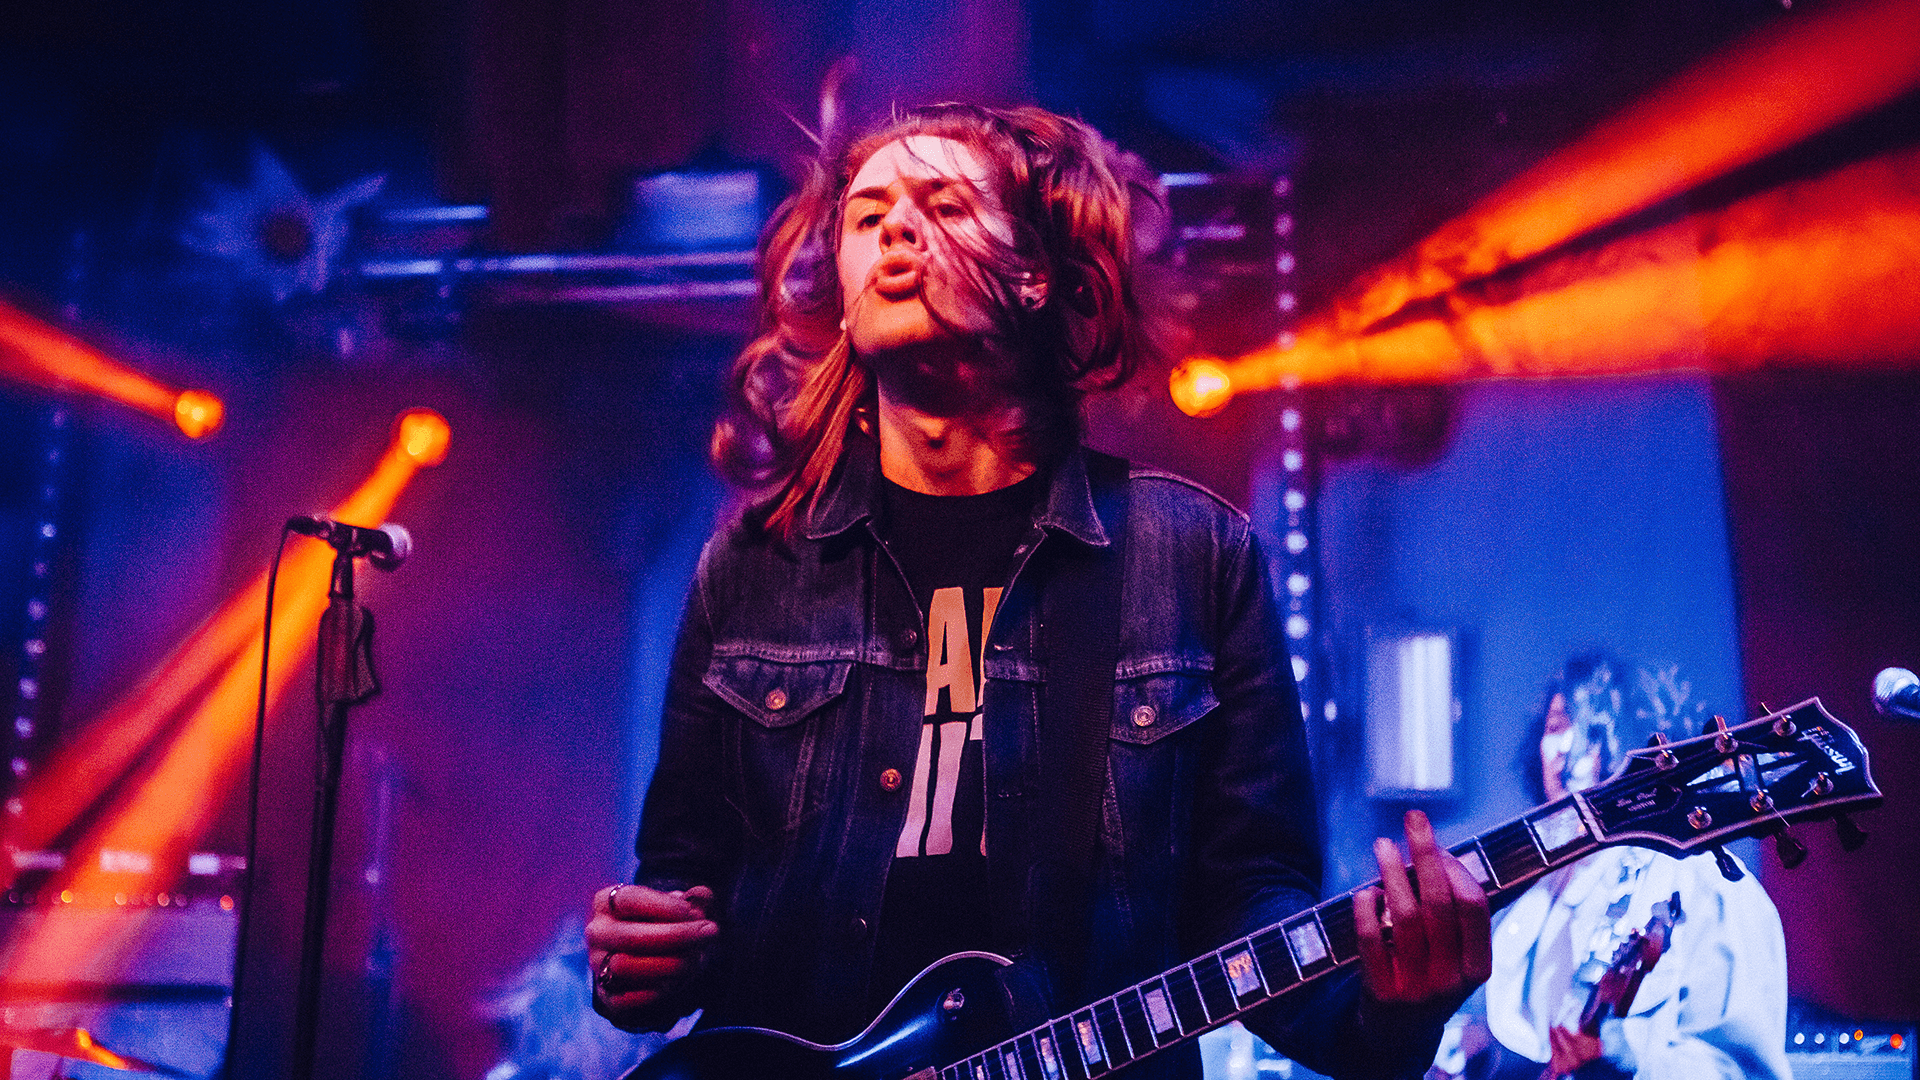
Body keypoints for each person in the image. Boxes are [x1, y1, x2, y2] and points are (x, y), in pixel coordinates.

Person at [586, 103, 1491, 1079]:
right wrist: (640, 960)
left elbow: (1251, 903)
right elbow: (680, 891)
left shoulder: (1191, 557)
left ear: (1032, 276)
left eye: (942, 205)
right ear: (844, 300)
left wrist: (1397, 1009)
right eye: (867, 213)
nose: (896, 230)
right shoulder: (755, 567)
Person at [1432, 654, 1790, 1080]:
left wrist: (1623, 1057)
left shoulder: (1707, 882)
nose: (1570, 751)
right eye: (1557, 727)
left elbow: (1741, 1070)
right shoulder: (1526, 886)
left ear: (1637, 745)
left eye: (1594, 732)